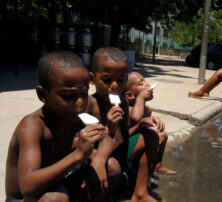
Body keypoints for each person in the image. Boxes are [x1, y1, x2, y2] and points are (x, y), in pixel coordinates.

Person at [5, 51, 120, 201]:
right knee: (55, 197)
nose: (80, 103)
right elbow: (27, 187)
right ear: (43, 95)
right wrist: (78, 155)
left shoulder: (77, 114)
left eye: (84, 94)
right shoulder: (33, 126)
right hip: (25, 198)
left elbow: (106, 139)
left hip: (57, 183)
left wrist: (98, 160)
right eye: (68, 96)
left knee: (111, 166)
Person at [90, 47, 159, 202]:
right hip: (100, 158)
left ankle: (140, 192)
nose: (115, 85)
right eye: (107, 79)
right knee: (112, 166)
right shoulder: (89, 105)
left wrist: (141, 125)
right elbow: (88, 146)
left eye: (121, 80)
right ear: (92, 79)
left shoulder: (122, 101)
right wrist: (109, 128)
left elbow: (127, 133)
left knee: (152, 136)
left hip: (120, 151)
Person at [125, 72, 176, 174]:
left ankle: (157, 166)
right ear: (130, 95)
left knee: (163, 135)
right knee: (152, 136)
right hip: (127, 151)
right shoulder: (127, 110)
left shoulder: (147, 109)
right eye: (141, 83)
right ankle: (140, 174)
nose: (147, 84)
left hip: (142, 146)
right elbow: (135, 118)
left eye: (145, 81)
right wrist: (141, 98)